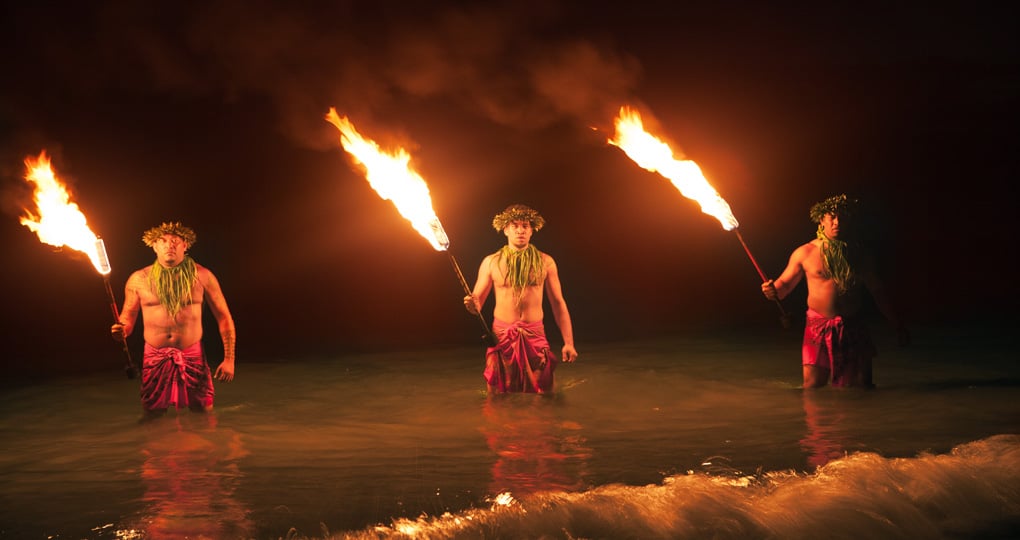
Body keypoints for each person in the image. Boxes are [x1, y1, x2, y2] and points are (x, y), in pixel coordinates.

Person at [762, 194, 908, 389]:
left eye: (842, 217)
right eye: (832, 217)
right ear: (822, 220)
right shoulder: (805, 252)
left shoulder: (860, 254)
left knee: (860, 389)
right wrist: (771, 290)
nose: (837, 222)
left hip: (852, 326)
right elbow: (783, 288)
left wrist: (897, 325)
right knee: (813, 386)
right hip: (817, 328)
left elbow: (878, 293)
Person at [112, 222, 236, 418]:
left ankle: (205, 446)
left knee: (203, 411)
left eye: (175, 241)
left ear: (185, 245)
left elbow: (224, 317)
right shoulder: (138, 279)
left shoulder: (202, 275)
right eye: (163, 241)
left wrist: (229, 359)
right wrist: (121, 330)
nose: (169, 245)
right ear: (154, 246)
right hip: (154, 356)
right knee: (152, 414)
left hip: (192, 354)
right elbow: (128, 317)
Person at [464, 204, 578, 394]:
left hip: (535, 336)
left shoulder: (545, 262)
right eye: (515, 225)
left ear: (532, 230)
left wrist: (569, 342)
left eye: (525, 226)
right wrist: (471, 304)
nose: (520, 230)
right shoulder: (491, 262)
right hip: (502, 337)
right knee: (498, 395)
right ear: (505, 230)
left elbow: (558, 303)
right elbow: (477, 305)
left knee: (543, 394)